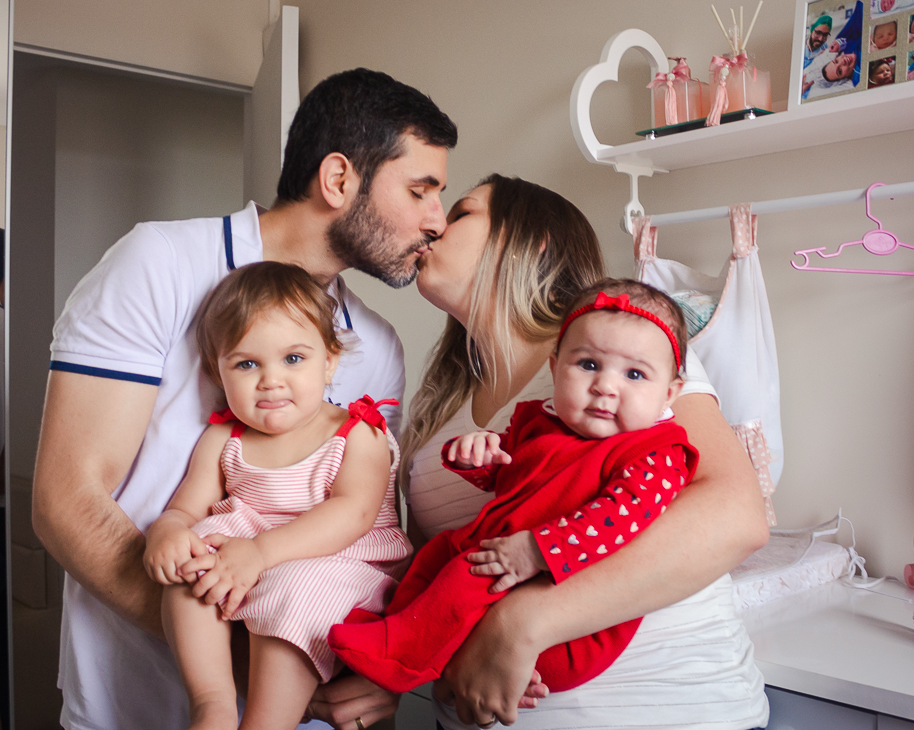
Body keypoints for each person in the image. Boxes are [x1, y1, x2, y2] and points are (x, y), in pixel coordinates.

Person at [33, 68, 457, 730]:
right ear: (339, 179)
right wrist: (253, 659)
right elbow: (67, 500)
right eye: (420, 190)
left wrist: (379, 672)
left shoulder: (376, 346)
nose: (437, 220)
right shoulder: (159, 264)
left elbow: (368, 532)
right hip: (136, 705)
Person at [402, 174, 771, 729]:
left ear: (532, 240)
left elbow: (737, 517)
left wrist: (520, 623)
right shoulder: (440, 409)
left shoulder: (622, 348)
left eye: (461, 212)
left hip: (663, 711)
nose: (432, 224)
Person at [330, 279, 696, 694]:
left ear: (669, 393)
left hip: (566, 611)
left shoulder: (660, 451)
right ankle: (393, 627)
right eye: (589, 364)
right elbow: (510, 477)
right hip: (505, 572)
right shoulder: (537, 421)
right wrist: (477, 457)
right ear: (556, 368)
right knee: (439, 553)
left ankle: (399, 655)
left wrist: (538, 550)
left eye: (634, 374)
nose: (606, 386)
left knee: (469, 572)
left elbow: (619, 518)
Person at [144, 262, 412, 730]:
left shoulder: (355, 432)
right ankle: (213, 702)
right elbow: (187, 506)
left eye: (293, 359)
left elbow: (353, 513)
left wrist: (262, 552)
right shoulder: (223, 438)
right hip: (246, 559)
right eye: (247, 364)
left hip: (338, 563)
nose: (271, 380)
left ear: (329, 360)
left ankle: (268, 722)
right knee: (193, 572)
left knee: (295, 591)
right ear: (217, 371)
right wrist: (167, 531)